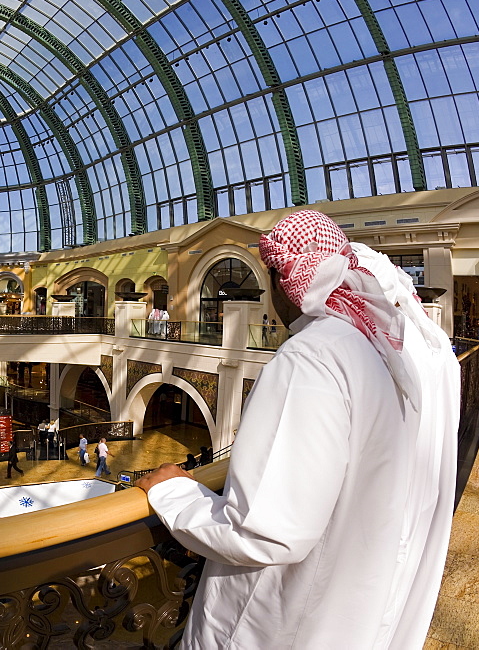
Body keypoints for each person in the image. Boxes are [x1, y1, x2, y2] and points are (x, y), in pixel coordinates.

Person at [138, 210, 458, 648]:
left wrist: (172, 492)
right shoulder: (381, 351)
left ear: (278, 279)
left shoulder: (311, 358)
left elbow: (264, 532)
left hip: (273, 627)